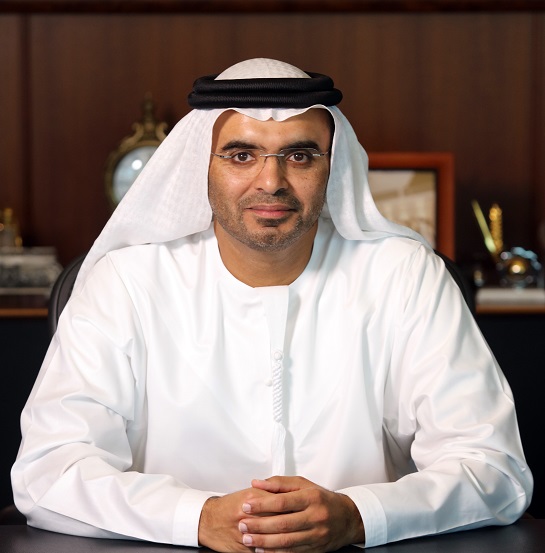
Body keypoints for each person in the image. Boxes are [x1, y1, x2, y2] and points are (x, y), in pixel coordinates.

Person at [12, 58, 532, 552]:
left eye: (299, 156)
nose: (271, 182)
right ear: (201, 166)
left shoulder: (405, 275)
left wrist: (356, 515)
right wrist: (198, 518)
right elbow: (48, 471)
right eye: (241, 155)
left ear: (331, 167)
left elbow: (494, 469)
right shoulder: (126, 283)